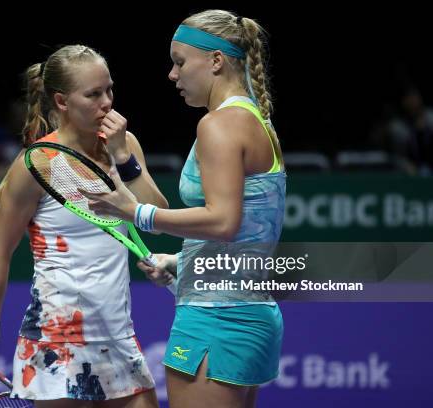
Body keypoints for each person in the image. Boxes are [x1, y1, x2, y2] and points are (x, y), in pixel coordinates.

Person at [82, 10, 285, 408]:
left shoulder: (220, 125)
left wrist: (134, 212)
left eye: (179, 62)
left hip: (217, 320)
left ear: (215, 61)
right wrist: (182, 261)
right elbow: (249, 230)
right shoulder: (256, 119)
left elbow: (224, 222)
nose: (172, 75)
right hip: (247, 314)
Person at [0, 44, 168, 408]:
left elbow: (158, 217)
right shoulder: (36, 165)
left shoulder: (125, 145)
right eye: (93, 94)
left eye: (109, 90)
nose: (106, 102)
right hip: (55, 339)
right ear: (61, 101)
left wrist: (123, 156)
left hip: (118, 335)